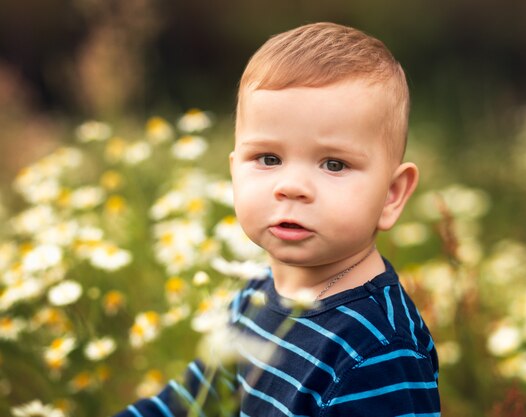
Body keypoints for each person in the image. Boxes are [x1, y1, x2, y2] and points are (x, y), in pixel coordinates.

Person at [115, 22, 440, 417]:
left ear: (392, 195)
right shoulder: (254, 294)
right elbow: (192, 403)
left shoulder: (377, 349)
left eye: (334, 164)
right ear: (235, 171)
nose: (292, 187)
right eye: (268, 159)